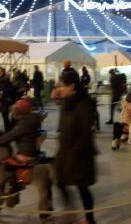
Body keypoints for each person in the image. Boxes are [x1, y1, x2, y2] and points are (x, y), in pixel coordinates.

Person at [53, 70, 97, 224]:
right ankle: (69, 212)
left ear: (71, 86)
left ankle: (89, 219)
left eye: (62, 85)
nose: (60, 88)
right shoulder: (68, 102)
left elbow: (86, 132)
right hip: (65, 151)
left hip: (80, 153)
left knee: (82, 187)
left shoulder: (83, 103)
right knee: (59, 181)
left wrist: (75, 151)